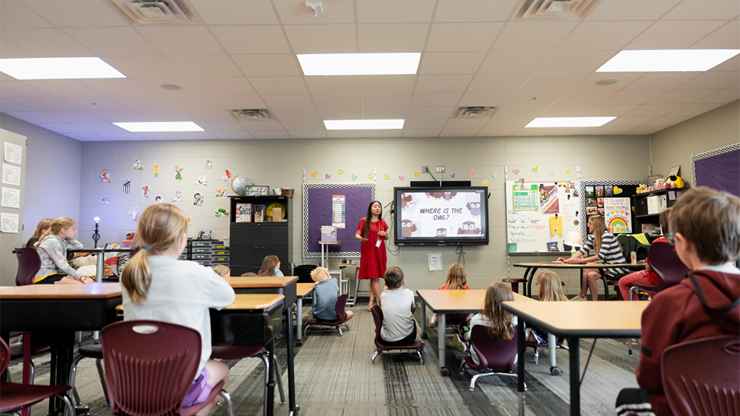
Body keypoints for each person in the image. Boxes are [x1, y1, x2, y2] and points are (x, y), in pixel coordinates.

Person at [615, 187, 740, 416]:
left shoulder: (668, 304)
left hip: (687, 407)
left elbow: (649, 379)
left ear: (681, 243)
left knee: (626, 399)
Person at [121, 203, 235, 416]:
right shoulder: (195, 272)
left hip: (132, 384)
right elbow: (228, 296)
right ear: (183, 239)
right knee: (223, 371)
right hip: (181, 384)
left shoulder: (130, 273)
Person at [558, 215, 628, 301]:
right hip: (607, 266)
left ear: (596, 224)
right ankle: (594, 302)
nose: (588, 225)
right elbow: (583, 250)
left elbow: (600, 255)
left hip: (618, 267)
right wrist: (567, 260)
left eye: (590, 223)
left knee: (586, 268)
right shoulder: (594, 236)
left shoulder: (607, 235)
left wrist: (581, 260)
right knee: (590, 275)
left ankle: (582, 295)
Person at [618, 209, 671, 301]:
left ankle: (636, 310)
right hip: (681, 280)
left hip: (657, 279)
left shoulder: (658, 243)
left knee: (623, 282)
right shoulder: (688, 243)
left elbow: (649, 267)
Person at [462, 283, 518, 365]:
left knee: (467, 334)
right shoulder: (517, 321)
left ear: (487, 300)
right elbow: (523, 338)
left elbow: (471, 337)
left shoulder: (477, 319)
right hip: (510, 360)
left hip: (481, 360)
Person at [33, 217, 93, 285]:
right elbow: (63, 265)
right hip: (44, 277)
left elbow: (78, 246)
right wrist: (81, 277)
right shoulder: (52, 242)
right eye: (73, 229)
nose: (75, 231)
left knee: (90, 281)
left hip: (54, 274)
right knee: (82, 285)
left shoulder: (61, 242)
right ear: (63, 231)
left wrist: (66, 237)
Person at [355, 201, 389, 311]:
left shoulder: (382, 222)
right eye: (375, 206)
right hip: (369, 252)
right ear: (370, 209)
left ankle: (371, 302)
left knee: (374, 277)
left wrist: (385, 234)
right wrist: (360, 238)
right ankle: (381, 302)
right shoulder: (364, 221)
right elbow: (357, 234)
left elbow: (387, 237)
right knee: (374, 278)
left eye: (379, 206)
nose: (377, 208)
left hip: (380, 252)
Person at [379, 266, 417, 346]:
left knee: (377, 326)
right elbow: (412, 310)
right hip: (408, 338)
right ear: (404, 282)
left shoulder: (383, 295)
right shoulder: (410, 293)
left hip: (387, 340)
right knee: (413, 322)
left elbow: (383, 311)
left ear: (385, 284)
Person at [528, 271, 567, 344]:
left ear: (543, 287)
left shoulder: (547, 307)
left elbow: (543, 328)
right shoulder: (564, 303)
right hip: (554, 336)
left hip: (545, 337)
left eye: (538, 284)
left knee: (514, 331)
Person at [429, 263, 470, 328]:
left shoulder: (442, 288)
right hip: (462, 317)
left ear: (450, 275)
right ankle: (468, 319)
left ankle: (434, 318)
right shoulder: (466, 289)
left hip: (445, 317)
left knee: (438, 304)